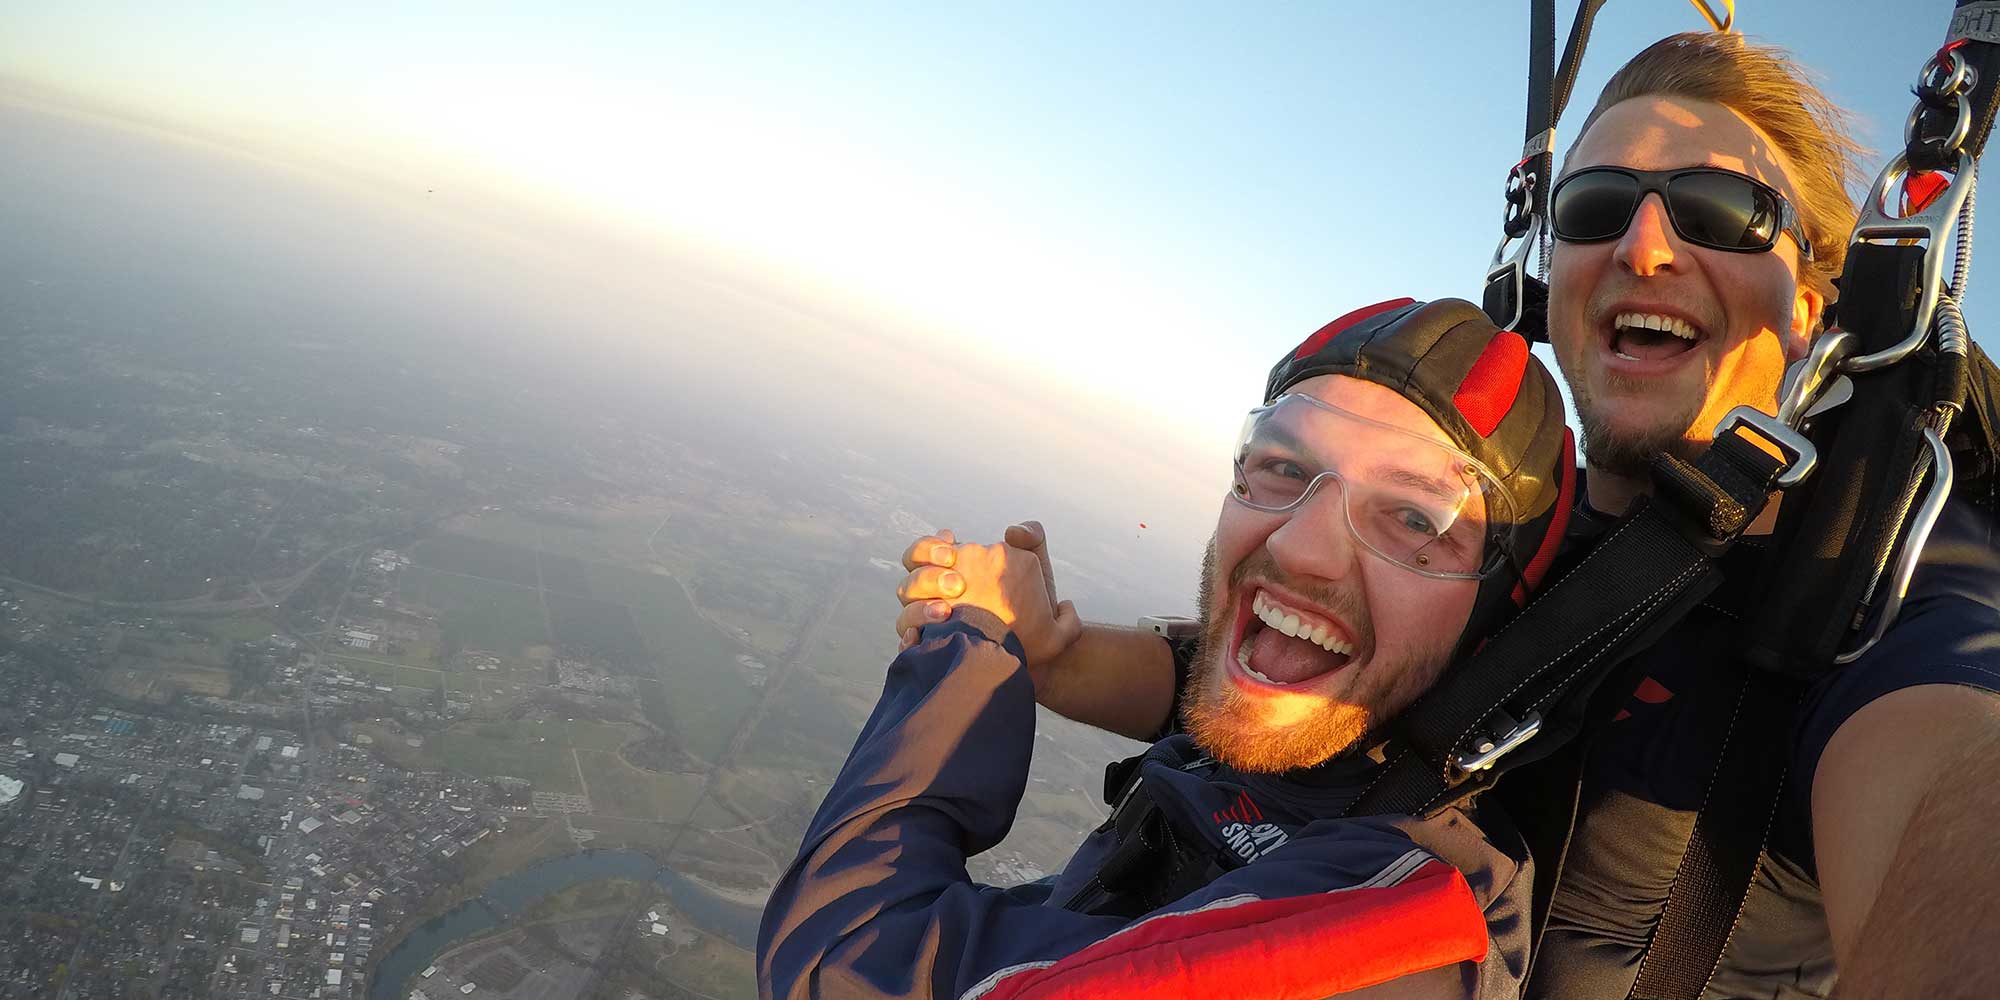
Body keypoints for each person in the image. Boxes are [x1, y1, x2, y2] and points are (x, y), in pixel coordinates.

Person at [894, 33, 2000, 999]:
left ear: (1811, 304)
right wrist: (1064, 654)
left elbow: (1954, 789)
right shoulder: (1509, 509)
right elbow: (1325, 667)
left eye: (1717, 211)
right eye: (1595, 207)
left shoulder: (1874, 583)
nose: (1643, 247)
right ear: (1547, 269)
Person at [758, 298, 1576, 999]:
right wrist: (1053, 657)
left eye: (1413, 519)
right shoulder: (1345, 746)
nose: (1300, 548)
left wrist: (967, 647)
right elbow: (1197, 680)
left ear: (1493, 617)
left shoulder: (1403, 924)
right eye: (1285, 465)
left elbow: (843, 966)